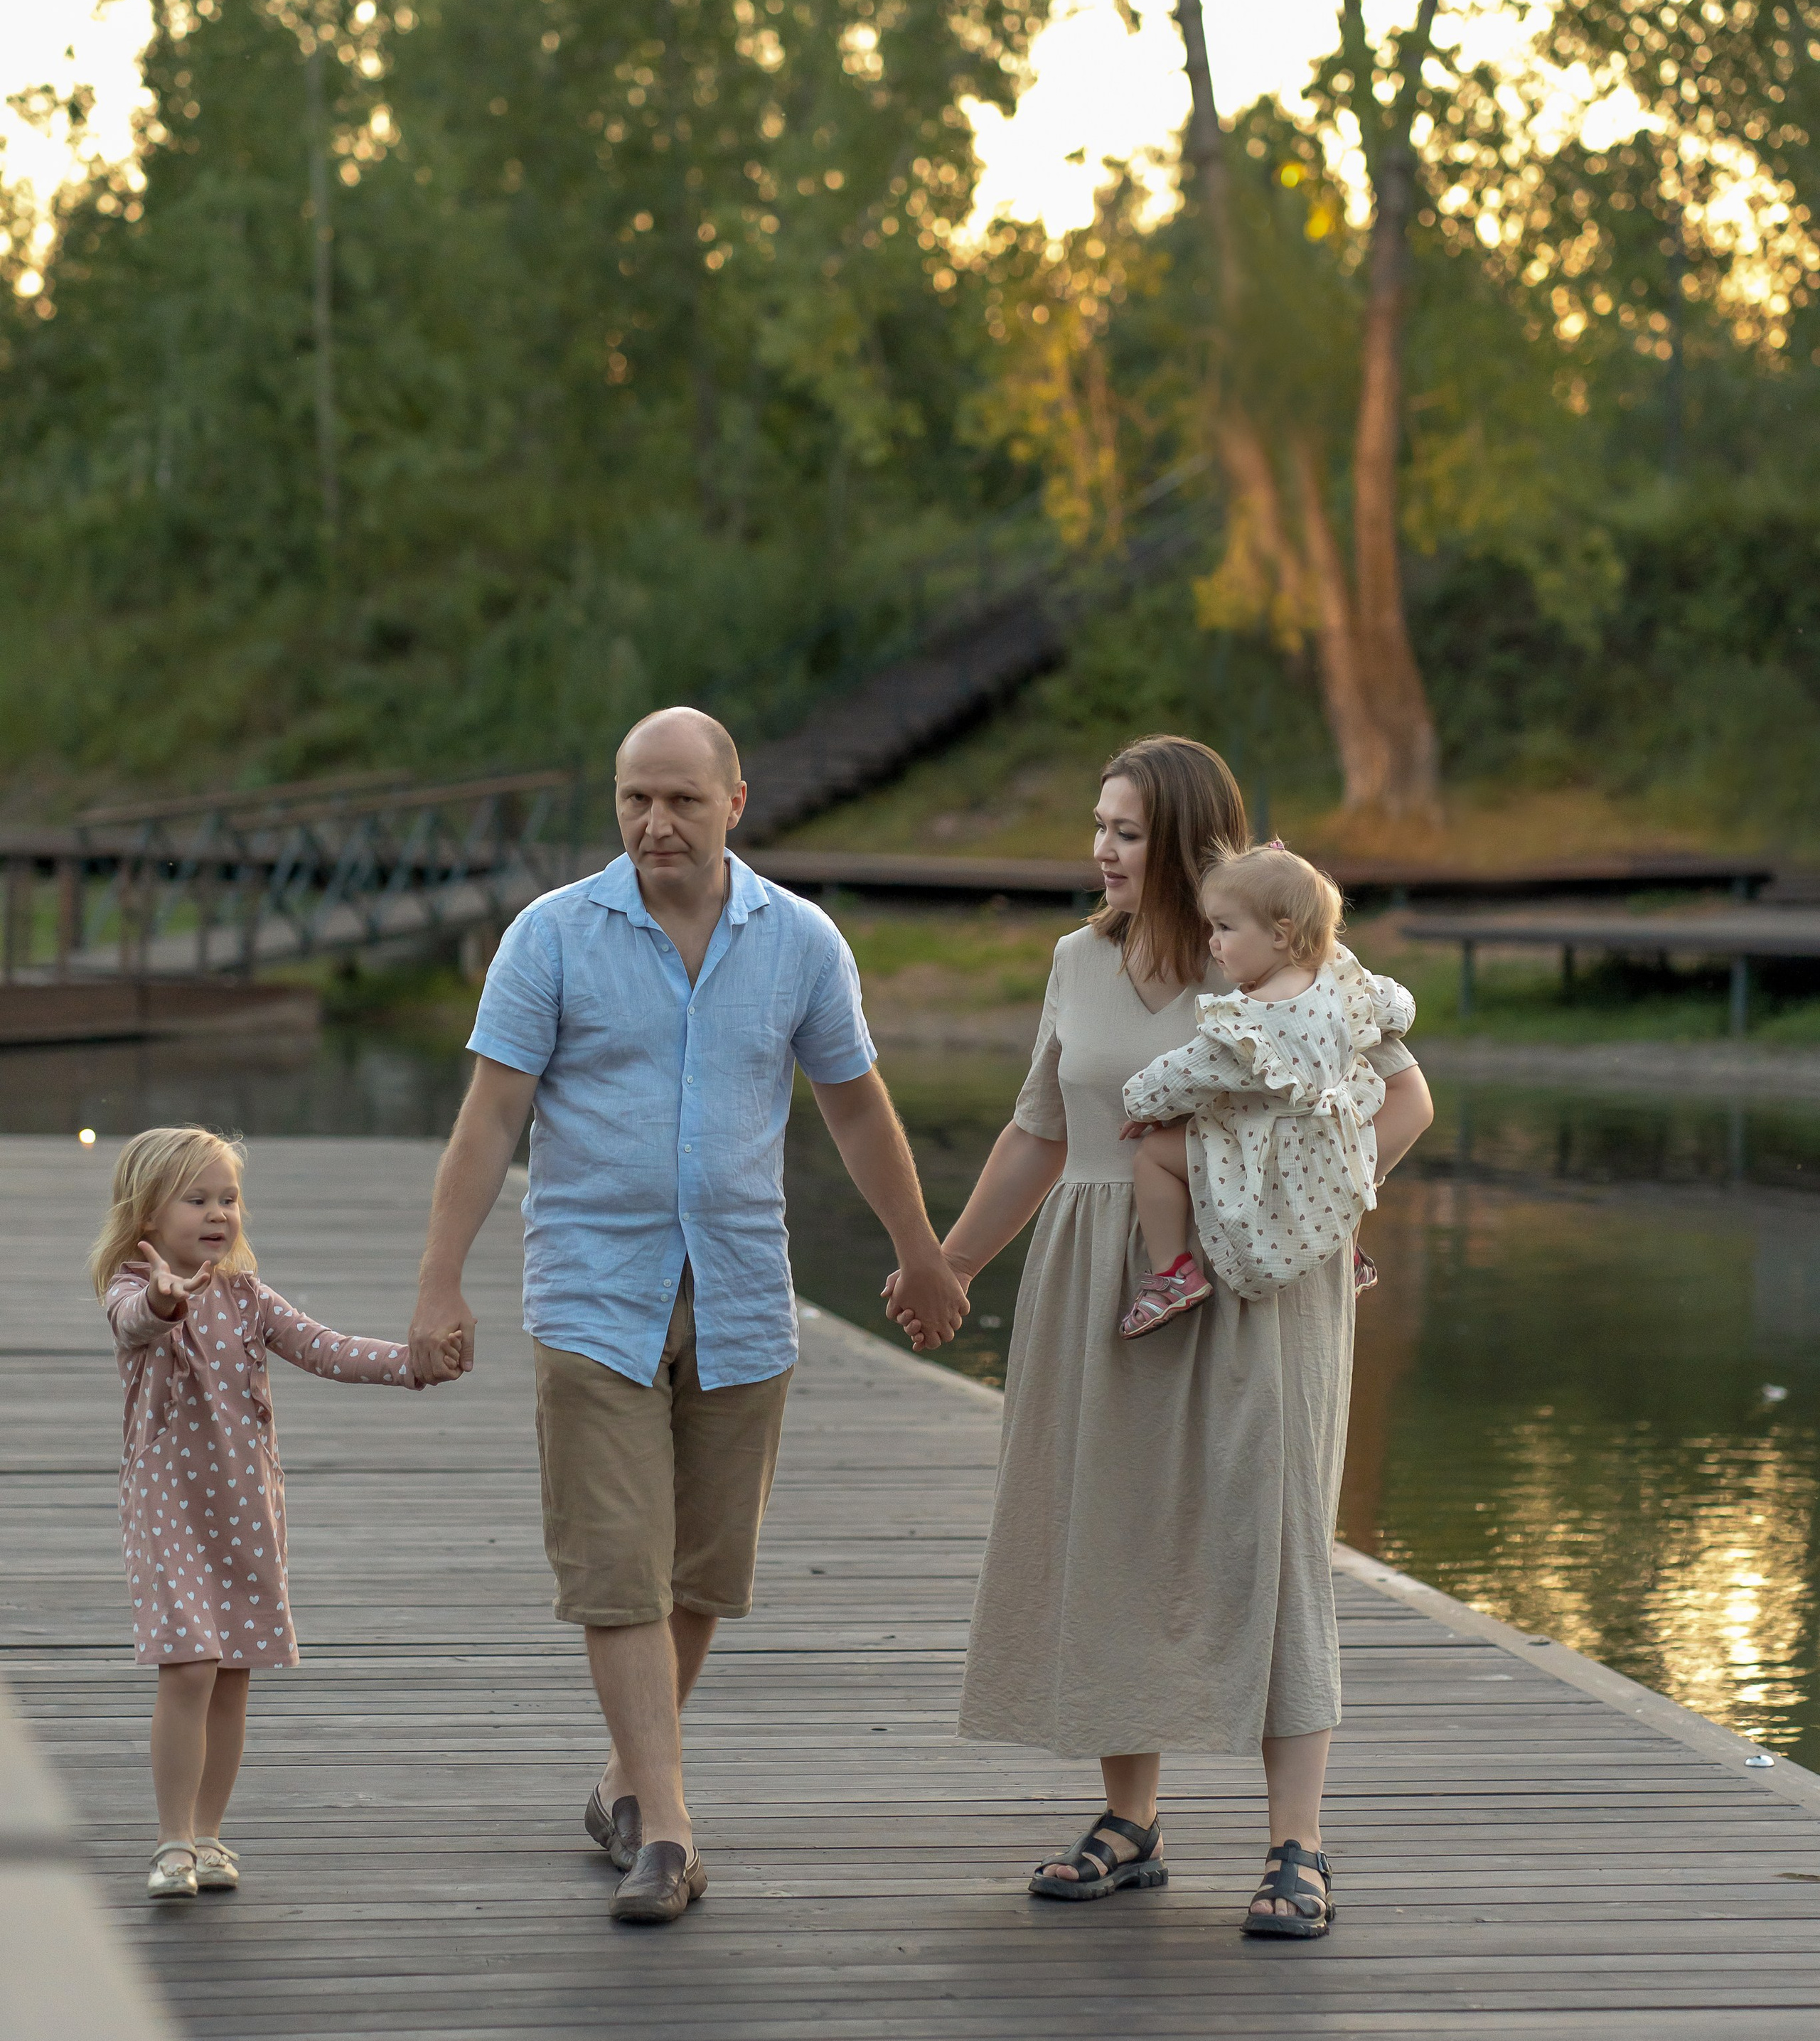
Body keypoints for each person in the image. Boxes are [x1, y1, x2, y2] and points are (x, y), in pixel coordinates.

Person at [407, 705, 969, 1925]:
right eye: (633, 800)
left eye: (679, 799)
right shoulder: (552, 937)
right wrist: (440, 1281)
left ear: (735, 802)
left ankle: (624, 1780)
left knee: (705, 1572)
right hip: (591, 1294)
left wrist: (920, 1251)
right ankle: (668, 1830)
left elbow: (858, 1110)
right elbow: (490, 1120)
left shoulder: (801, 944)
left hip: (744, 1292)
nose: (655, 822)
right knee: (619, 1567)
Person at [887, 735, 1433, 1939]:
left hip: (1260, 1291)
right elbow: (1040, 1129)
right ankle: (1128, 1825)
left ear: (1186, 844)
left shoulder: (1286, 962)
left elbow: (1405, 1100)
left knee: (1273, 1539)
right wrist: (952, 1260)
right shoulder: (1076, 961)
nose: (1101, 851)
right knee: (1112, 1531)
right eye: (1099, 827)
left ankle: (1299, 1848)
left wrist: (1318, 1210)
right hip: (1099, 1275)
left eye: (1126, 832)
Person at [94, 1126, 454, 1902]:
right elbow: (134, 1322)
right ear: (148, 1217)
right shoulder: (133, 1288)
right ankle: (171, 1842)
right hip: (169, 1510)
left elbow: (328, 1349)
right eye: (197, 1199)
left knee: (230, 1676)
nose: (218, 1213)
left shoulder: (248, 1297)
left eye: (228, 1198)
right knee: (187, 1666)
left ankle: (211, 1834)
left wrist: (412, 1365)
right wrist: (163, 1300)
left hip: (245, 1509)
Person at [1117, 842, 1416, 1334]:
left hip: (1271, 1153)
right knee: (1356, 1134)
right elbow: (1398, 1008)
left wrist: (1143, 1104)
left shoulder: (1247, 1025)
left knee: (1154, 1156)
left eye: (1225, 928)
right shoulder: (1342, 982)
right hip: (1334, 1141)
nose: (1213, 942)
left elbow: (1182, 1076)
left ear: (1281, 935)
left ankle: (1172, 1274)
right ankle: (1345, 1250)